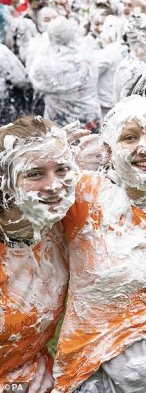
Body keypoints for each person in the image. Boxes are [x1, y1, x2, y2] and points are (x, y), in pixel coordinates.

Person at [53, 97, 146, 392]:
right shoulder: (82, 192)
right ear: (108, 150)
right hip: (94, 370)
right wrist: (46, 160)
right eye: (130, 137)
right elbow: (17, 199)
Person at [0, 116, 80, 393]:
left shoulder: (62, 229)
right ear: (4, 182)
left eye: (61, 169)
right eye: (35, 174)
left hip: (39, 380)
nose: (54, 185)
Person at [27, 17, 101, 132]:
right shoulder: (86, 55)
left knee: (63, 148)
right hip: (89, 114)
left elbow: (34, 77)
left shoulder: (48, 64)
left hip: (60, 120)